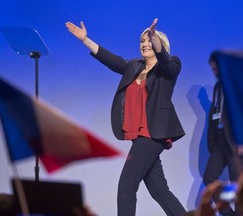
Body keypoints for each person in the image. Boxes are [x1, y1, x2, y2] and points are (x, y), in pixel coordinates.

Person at [65, 18, 187, 216]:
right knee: (160, 191)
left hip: (152, 134)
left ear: (160, 45)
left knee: (126, 188)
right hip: (140, 137)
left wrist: (155, 39)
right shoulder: (134, 66)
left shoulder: (170, 67)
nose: (145, 44)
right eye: (142, 42)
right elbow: (112, 61)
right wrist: (85, 40)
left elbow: (165, 60)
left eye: (149, 40)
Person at [202, 52, 243, 216]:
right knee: (210, 177)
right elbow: (216, 113)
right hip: (220, 140)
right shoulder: (218, 87)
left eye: (217, 68)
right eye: (213, 70)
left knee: (237, 183)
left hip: (236, 140)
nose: (215, 72)